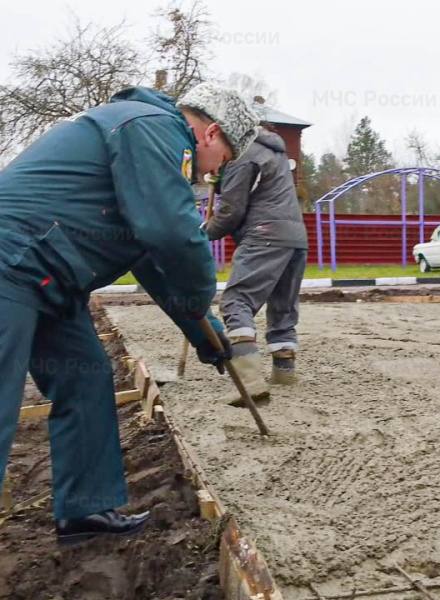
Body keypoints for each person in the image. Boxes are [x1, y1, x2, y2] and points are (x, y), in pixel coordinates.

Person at [0, 82, 259, 545]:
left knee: (86, 379)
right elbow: (172, 235)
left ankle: (85, 510)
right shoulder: (154, 128)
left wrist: (207, 336)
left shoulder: (145, 142)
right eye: (226, 158)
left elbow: (152, 263)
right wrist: (202, 294)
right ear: (211, 134)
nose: (218, 171)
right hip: (12, 262)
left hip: (48, 278)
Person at [205, 105, 308, 406]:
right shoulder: (273, 151)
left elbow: (231, 212)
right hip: (295, 238)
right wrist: (221, 179)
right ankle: (284, 370)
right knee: (282, 305)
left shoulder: (242, 155)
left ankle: (249, 382)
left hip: (264, 236)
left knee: (237, 301)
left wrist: (201, 234)